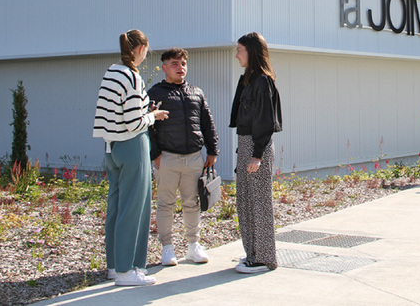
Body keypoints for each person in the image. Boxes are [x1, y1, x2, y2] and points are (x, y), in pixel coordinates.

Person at [93, 30, 169, 287]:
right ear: (141, 49)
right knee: (135, 208)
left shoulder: (111, 72)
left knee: (116, 207)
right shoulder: (132, 76)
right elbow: (133, 121)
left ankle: (115, 266)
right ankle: (129, 270)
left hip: (110, 146)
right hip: (132, 144)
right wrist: (152, 116)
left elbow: (111, 113)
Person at [147, 48, 219, 267]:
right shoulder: (155, 93)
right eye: (175, 64)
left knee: (192, 203)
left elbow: (207, 122)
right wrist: (156, 155)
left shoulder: (196, 92)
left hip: (194, 158)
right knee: (165, 204)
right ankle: (167, 249)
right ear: (164, 67)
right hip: (167, 158)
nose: (181, 68)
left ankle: (193, 246)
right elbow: (148, 126)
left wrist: (212, 150)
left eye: (183, 64)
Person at [229, 32, 282, 274]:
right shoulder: (247, 80)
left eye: (240, 49)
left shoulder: (263, 81)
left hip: (255, 147)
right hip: (246, 144)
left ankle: (264, 258)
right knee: (246, 201)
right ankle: (252, 253)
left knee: (259, 202)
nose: (236, 54)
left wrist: (257, 155)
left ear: (251, 51)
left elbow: (265, 121)